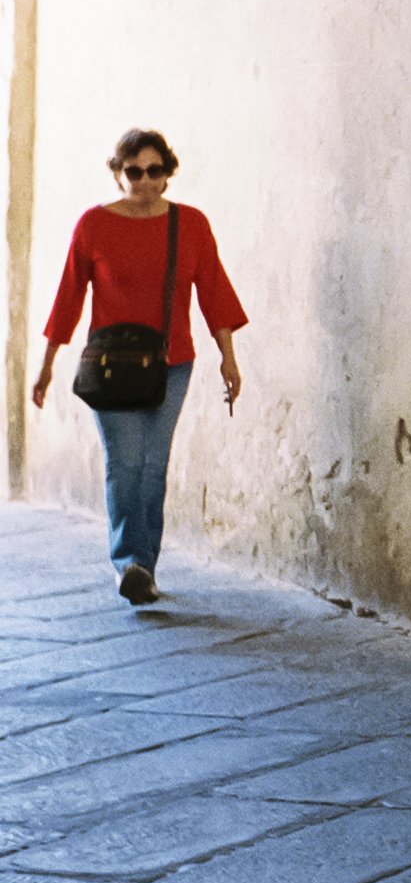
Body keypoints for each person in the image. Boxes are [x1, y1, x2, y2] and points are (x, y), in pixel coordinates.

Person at [31, 130, 247, 605]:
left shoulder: (190, 225)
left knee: (153, 465)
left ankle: (143, 567)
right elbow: (68, 297)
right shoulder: (93, 225)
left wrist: (228, 359)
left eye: (155, 171)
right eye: (134, 171)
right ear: (118, 173)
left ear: (168, 175)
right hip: (111, 367)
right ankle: (129, 561)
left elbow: (213, 291)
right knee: (125, 463)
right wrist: (46, 366)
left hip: (172, 364)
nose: (144, 181)